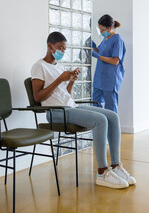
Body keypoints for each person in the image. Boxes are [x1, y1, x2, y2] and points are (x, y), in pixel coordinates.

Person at [31, 32, 136, 189]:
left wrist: (71, 81)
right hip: (55, 112)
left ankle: (115, 165)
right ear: (50, 46)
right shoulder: (39, 66)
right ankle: (102, 172)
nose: (62, 51)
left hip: (70, 106)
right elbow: (38, 97)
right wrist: (60, 79)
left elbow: (65, 94)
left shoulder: (59, 66)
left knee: (113, 116)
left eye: (64, 49)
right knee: (100, 120)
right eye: (60, 48)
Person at [92, 14, 126, 113]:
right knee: (95, 105)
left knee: (110, 108)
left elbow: (115, 61)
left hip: (110, 79)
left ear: (110, 28)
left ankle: (111, 129)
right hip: (99, 77)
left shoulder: (117, 40)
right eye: (99, 29)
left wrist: (98, 56)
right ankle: (98, 128)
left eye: (102, 29)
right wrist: (94, 47)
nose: (101, 32)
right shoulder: (105, 39)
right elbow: (101, 52)